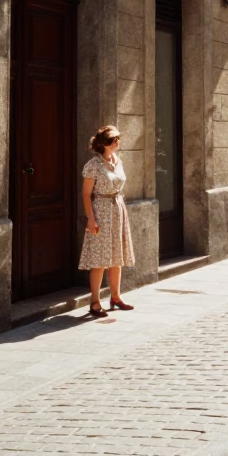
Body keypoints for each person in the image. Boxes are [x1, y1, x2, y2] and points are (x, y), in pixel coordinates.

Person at [81, 125, 136, 318]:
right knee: (99, 259)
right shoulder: (92, 165)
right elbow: (86, 195)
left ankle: (116, 297)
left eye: (118, 138)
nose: (117, 142)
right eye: (113, 139)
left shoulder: (117, 161)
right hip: (101, 211)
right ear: (103, 143)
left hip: (117, 209)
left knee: (116, 256)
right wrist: (91, 219)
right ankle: (94, 302)